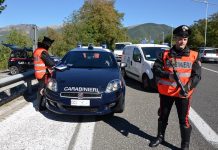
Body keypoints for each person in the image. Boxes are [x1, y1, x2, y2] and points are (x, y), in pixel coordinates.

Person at [149, 25, 201, 150]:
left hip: (183, 95)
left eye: (184, 39)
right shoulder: (165, 54)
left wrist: (187, 88)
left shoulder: (194, 55)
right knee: (163, 117)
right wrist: (168, 75)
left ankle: (185, 145)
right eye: (179, 38)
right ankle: (160, 137)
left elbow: (197, 75)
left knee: (184, 121)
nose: (181, 41)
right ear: (175, 39)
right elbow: (155, 69)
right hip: (166, 93)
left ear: (187, 40)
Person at [33, 36, 55, 111]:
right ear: (46, 46)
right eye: (49, 46)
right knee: (42, 90)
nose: (49, 47)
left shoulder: (37, 51)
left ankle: (39, 105)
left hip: (38, 73)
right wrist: (54, 64)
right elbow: (50, 63)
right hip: (43, 74)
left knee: (40, 88)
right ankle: (39, 107)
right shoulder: (43, 52)